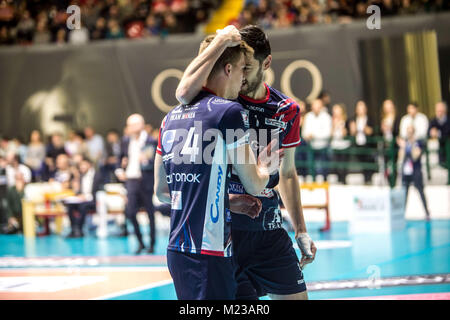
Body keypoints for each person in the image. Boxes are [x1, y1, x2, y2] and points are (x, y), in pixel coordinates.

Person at [175, 25, 316, 300]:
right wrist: (222, 41)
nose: (239, 75)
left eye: (247, 67)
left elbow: (287, 173)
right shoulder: (221, 100)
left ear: (267, 63)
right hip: (226, 231)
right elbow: (183, 92)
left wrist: (301, 230)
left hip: (268, 230)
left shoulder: (286, 110)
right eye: (237, 66)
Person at [155, 34, 280, 300]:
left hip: (177, 248)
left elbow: (163, 191)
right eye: (241, 71)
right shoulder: (228, 112)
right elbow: (254, 184)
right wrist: (267, 168)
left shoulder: (169, 119)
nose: (242, 80)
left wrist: (226, 201)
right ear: (228, 69)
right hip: (210, 251)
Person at [116, 114, 157, 254]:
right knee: (130, 212)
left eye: (134, 124)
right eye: (129, 125)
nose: (131, 128)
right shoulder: (126, 141)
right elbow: (120, 157)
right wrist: (120, 169)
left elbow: (156, 162)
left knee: (150, 213)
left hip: (145, 180)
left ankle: (152, 244)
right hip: (131, 179)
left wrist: (145, 160)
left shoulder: (150, 141)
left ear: (141, 124)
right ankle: (140, 242)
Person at [64, 157, 103, 238]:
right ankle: (74, 229)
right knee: (70, 206)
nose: (82, 167)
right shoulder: (81, 176)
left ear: (90, 165)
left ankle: (79, 229)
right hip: (82, 199)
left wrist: (86, 197)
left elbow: (98, 191)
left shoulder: (97, 175)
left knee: (83, 206)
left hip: (93, 200)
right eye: (80, 165)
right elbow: (79, 190)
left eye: (84, 165)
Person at [398, 125, 430, 220]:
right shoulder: (405, 143)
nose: (409, 134)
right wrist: (403, 147)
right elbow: (400, 157)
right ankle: (402, 213)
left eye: (411, 132)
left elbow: (415, 156)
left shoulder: (418, 143)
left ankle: (427, 212)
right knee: (404, 192)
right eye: (408, 132)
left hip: (416, 171)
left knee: (420, 191)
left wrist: (410, 145)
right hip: (406, 171)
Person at [302, 98, 332, 181]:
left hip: (323, 146)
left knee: (324, 168)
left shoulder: (327, 117)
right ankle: (313, 181)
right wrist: (307, 136)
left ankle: (325, 181)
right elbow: (304, 132)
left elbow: (327, 133)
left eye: (318, 106)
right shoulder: (308, 116)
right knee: (311, 167)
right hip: (311, 146)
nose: (316, 108)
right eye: (314, 106)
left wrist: (314, 135)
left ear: (321, 107)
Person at [349, 100, 375, 184]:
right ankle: (365, 180)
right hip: (358, 145)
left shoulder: (370, 119)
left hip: (368, 145)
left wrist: (366, 129)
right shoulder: (353, 120)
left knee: (369, 163)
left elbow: (372, 131)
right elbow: (351, 132)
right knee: (362, 164)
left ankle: (369, 180)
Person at [380, 99, 400, 186]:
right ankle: (388, 181)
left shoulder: (397, 118)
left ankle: (394, 182)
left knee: (394, 164)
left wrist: (390, 128)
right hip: (386, 145)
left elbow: (398, 131)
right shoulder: (383, 119)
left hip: (394, 145)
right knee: (386, 165)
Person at [330, 103, 350, 184]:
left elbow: (346, 134)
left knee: (344, 165)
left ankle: (344, 180)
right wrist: (334, 125)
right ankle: (339, 179)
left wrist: (341, 125)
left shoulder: (346, 120)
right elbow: (330, 134)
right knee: (336, 165)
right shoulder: (331, 121)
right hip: (335, 145)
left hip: (344, 145)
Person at [428, 101, 449, 167]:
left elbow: (447, 132)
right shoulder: (433, 121)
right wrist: (431, 133)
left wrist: (438, 133)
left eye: (440, 111)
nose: (439, 113)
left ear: (445, 111)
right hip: (437, 149)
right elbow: (428, 132)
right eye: (437, 111)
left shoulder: (448, 120)